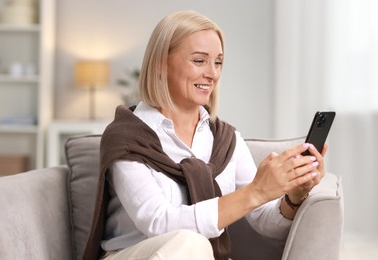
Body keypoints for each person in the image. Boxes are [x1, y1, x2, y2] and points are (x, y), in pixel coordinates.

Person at [83, 10, 327, 260]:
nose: (212, 74)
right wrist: (255, 191)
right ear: (160, 63)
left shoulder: (225, 140)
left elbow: (264, 221)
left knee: (195, 246)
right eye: (199, 61)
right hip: (134, 255)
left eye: (218, 62)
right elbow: (158, 222)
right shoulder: (127, 136)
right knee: (191, 242)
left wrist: (294, 197)